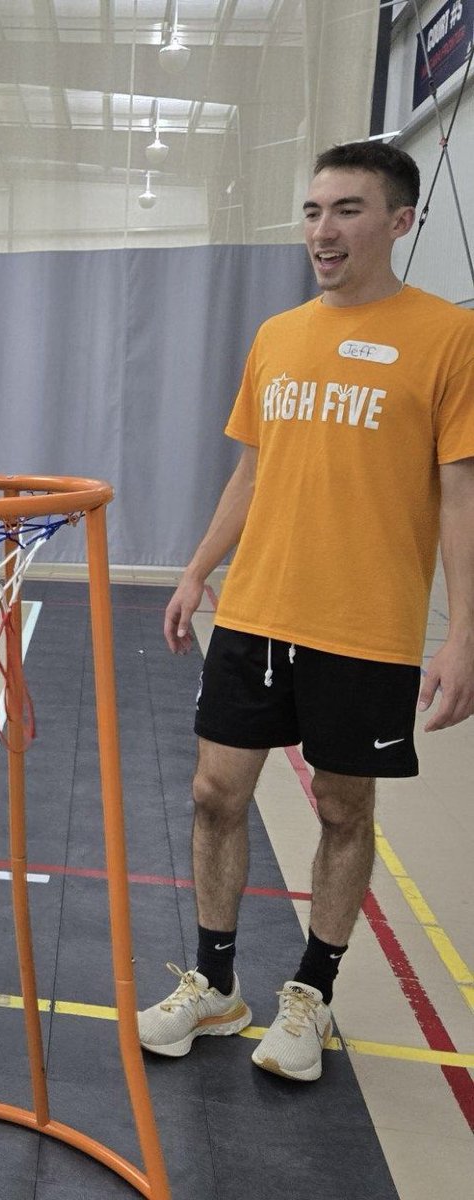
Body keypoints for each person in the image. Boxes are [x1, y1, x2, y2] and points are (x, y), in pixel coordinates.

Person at [137, 140, 474, 1083]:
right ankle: (216, 985)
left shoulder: (448, 337)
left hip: (366, 623)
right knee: (215, 794)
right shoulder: (278, 335)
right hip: (257, 609)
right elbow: (252, 471)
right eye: (315, 210)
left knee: (341, 806)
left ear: (400, 221)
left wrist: (463, 636)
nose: (324, 230)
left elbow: (460, 494)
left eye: (348, 210)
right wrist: (197, 570)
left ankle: (311, 995)